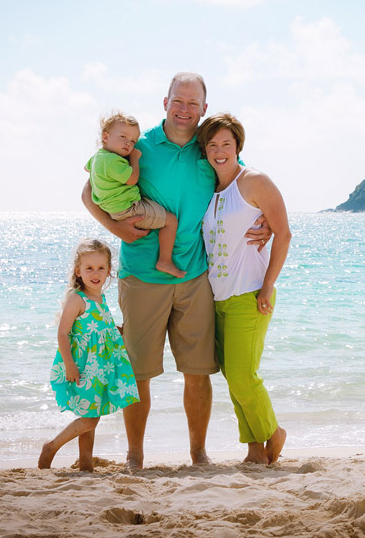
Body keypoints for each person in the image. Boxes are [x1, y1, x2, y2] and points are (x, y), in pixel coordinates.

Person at [81, 72, 270, 470]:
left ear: (204, 107)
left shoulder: (209, 147)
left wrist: (266, 220)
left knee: (198, 373)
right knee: (138, 374)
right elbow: (88, 191)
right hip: (141, 276)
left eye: (193, 103)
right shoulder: (139, 146)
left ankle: (198, 454)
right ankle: (135, 456)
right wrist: (116, 229)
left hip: (195, 275)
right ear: (165, 103)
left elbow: (243, 183)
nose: (185, 109)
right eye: (178, 101)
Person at [197, 113, 291, 465]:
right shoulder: (210, 188)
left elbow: (284, 234)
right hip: (219, 297)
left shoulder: (254, 181)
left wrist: (268, 285)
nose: (220, 151)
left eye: (226, 144)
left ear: (238, 146)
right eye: (212, 145)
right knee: (232, 376)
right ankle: (253, 449)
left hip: (250, 293)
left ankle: (273, 432)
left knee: (241, 375)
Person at [39, 239, 139, 471]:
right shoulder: (78, 299)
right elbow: (62, 333)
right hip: (83, 366)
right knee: (90, 418)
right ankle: (52, 446)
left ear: (109, 270)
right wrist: (69, 365)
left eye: (101, 268)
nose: (96, 273)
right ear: (78, 271)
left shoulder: (100, 298)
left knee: (92, 413)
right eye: (89, 268)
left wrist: (116, 331)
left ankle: (85, 465)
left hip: (101, 366)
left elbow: (96, 328)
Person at [86, 112, 185, 279]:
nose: (128, 143)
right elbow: (132, 179)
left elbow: (87, 169)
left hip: (115, 209)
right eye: (123, 137)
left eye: (133, 141)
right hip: (129, 208)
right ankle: (165, 260)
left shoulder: (97, 158)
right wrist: (134, 159)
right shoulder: (113, 161)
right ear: (105, 137)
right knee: (171, 221)